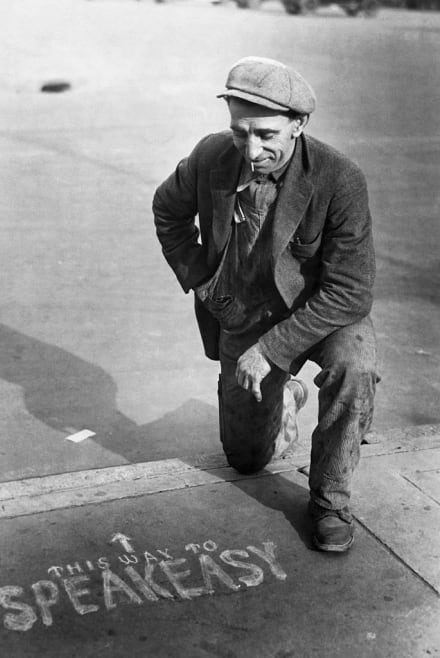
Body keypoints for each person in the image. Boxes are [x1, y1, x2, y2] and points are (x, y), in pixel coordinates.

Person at [153, 56, 378, 553]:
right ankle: (286, 398)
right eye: (240, 132)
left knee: (355, 367)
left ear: (297, 126)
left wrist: (272, 350)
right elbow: (167, 211)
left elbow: (351, 291)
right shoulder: (211, 157)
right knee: (245, 460)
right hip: (245, 313)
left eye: (267, 134)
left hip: (322, 314)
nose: (251, 150)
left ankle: (330, 499)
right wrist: (206, 283)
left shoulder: (339, 179)